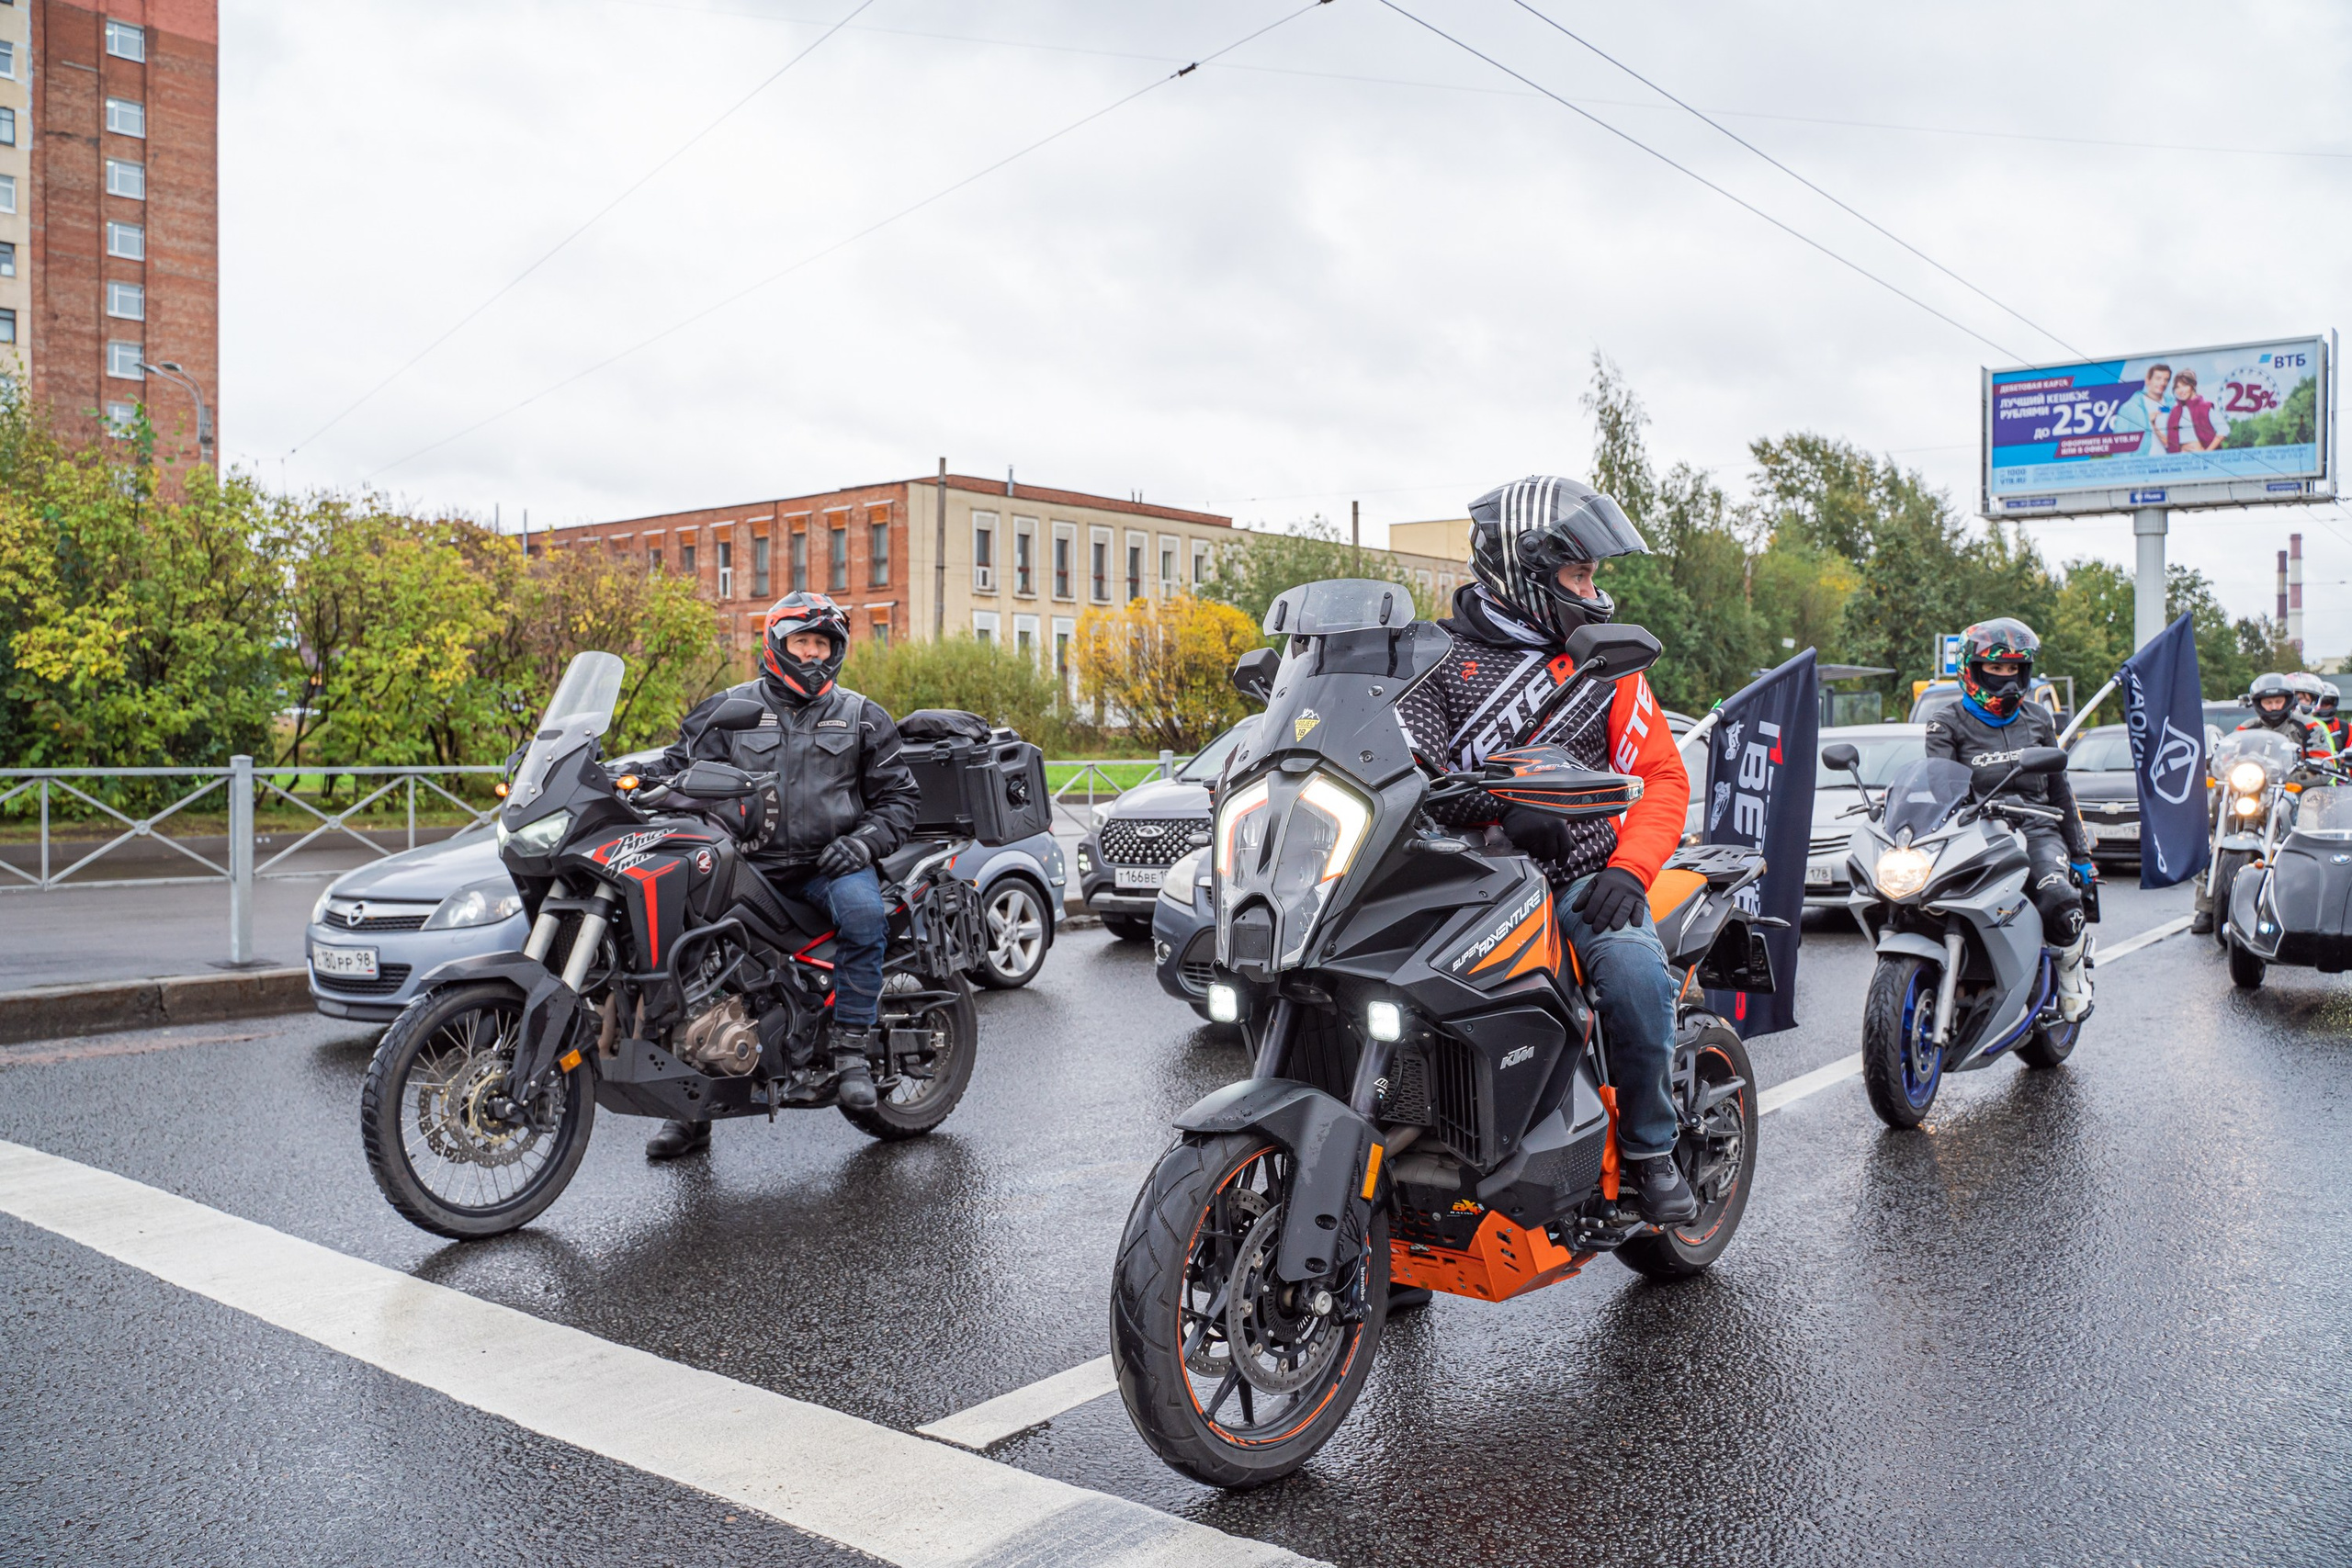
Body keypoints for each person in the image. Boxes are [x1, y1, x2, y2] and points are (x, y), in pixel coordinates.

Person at [1395, 475, 1696, 1225]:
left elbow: (1661, 775)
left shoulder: (1605, 665)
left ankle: (1651, 1152)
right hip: (1451, 884)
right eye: (1580, 573)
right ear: (1524, 570)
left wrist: (1629, 870)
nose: (1593, 592)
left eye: (1592, 573)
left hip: (1576, 880)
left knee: (1633, 975)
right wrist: (1499, 806)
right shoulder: (1432, 658)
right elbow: (1406, 770)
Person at [639, 592, 921, 1159]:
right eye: (803, 642)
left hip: (828, 866)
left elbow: (900, 801)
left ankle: (851, 1054)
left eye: (823, 644)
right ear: (777, 645)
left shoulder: (862, 716)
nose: (813, 655)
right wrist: (620, 776)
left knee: (866, 916)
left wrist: (862, 843)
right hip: (743, 864)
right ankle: (689, 1112)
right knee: (685, 953)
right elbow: (675, 767)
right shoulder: (727, 710)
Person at [1921, 619, 2096, 1021]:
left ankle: (2070, 973)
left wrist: (2081, 854)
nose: (2005, 677)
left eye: (2013, 669)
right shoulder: (1944, 723)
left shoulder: (2038, 719)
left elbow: (2060, 791)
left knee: (2059, 900)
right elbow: (1936, 784)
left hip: (2035, 826)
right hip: (1972, 832)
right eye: (1995, 669)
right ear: (1972, 669)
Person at [2189, 672, 2322, 934]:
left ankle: (2313, 898)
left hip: (2289, 790)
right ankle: (2207, 907)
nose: (2273, 707)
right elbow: (2225, 753)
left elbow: (2324, 760)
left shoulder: (2308, 727)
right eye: (2268, 702)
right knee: (2217, 827)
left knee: (2312, 828)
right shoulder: (2246, 728)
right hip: (2251, 791)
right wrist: (2212, 762)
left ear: (2288, 701)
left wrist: (2314, 770)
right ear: (2258, 703)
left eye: (2278, 701)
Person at [2160, 367, 2229, 455]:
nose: (2181, 390)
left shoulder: (2205, 407)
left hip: (2202, 459)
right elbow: (2169, 442)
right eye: (2177, 387)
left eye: (2185, 385)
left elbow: (2224, 430)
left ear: (2193, 386)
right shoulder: (2175, 411)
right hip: (2181, 460)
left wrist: (2207, 452)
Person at [2109, 363, 2172, 457]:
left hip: (2171, 465)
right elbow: (2119, 445)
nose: (2162, 383)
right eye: (2158, 378)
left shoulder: (2173, 405)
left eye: (2166, 380)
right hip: (2142, 467)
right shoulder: (2129, 408)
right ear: (2148, 380)